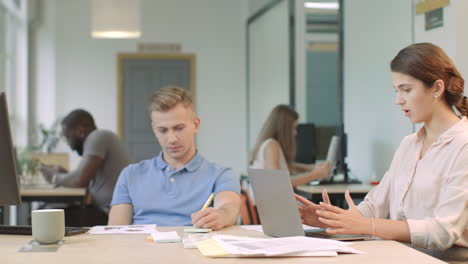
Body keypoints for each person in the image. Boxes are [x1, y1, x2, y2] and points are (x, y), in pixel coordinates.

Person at [295, 43, 467, 261]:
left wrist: (369, 226)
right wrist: (331, 220)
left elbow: (442, 232)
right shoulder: (409, 144)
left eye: (406, 89)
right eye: (396, 91)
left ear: (437, 88)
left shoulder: (463, 145)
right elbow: (373, 208)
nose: (398, 100)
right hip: (400, 256)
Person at [108, 86, 240, 230]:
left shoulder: (221, 175)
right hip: (142, 250)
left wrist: (221, 216)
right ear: (154, 130)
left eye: (179, 128)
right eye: (163, 130)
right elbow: (115, 233)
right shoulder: (130, 175)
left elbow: (229, 209)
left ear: (195, 125)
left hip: (194, 249)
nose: (172, 139)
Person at [40, 109, 131, 225]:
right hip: (109, 211)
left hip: (112, 215)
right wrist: (65, 175)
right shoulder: (102, 137)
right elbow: (83, 176)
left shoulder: (97, 137)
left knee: (43, 217)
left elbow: (80, 180)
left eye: (68, 137)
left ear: (80, 131)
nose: (70, 145)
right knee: (46, 209)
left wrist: (53, 177)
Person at [250, 104, 331, 187]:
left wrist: (312, 168)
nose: (295, 133)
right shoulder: (271, 146)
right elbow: (278, 182)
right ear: (284, 128)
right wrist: (315, 175)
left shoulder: (268, 144)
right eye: (293, 128)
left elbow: (287, 165)